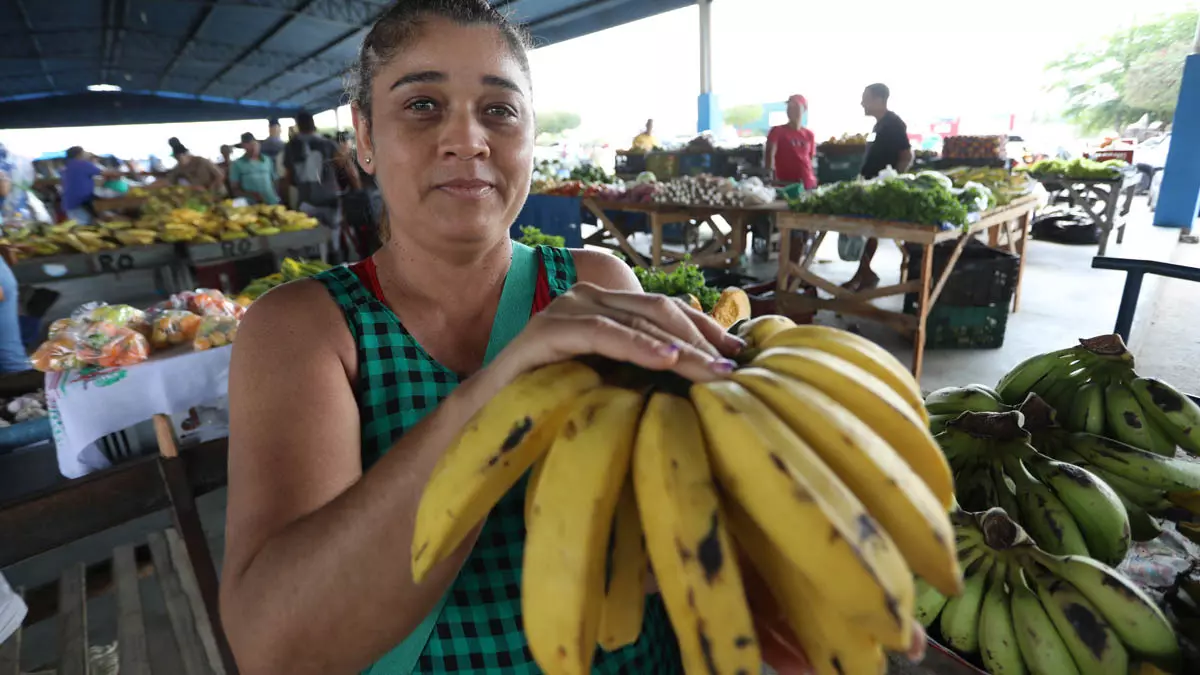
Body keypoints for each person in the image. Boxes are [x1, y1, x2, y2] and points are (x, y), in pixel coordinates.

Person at [220, 3, 930, 674]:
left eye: (499, 110)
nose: (467, 139)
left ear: (531, 136)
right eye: (422, 105)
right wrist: (499, 390)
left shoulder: (601, 284)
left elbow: (673, 538)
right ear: (366, 138)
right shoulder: (307, 328)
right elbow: (276, 651)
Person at [846, 83, 913, 292]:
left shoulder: (894, 124)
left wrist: (891, 182)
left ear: (879, 99)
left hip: (881, 189)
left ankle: (864, 275)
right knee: (868, 232)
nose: (862, 103)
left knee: (871, 231)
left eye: (866, 98)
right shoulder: (879, 125)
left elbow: (906, 155)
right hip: (870, 186)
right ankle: (864, 274)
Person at [284, 111, 358, 257]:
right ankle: (336, 263)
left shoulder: (290, 147)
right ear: (313, 124)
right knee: (334, 242)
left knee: (311, 244)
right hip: (330, 200)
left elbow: (288, 179)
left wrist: (287, 203)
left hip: (306, 202)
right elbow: (349, 170)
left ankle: (317, 266)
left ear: (298, 126)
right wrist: (358, 192)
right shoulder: (328, 144)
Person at [60, 147, 123, 224]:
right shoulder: (82, 164)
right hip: (81, 201)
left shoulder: (67, 165)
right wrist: (122, 173)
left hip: (69, 202)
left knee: (77, 225)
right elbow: (107, 173)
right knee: (85, 226)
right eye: (84, 153)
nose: (86, 154)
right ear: (79, 154)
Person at [765, 95, 816, 190]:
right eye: (789, 106)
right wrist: (771, 178)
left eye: (796, 106)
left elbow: (810, 158)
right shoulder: (777, 131)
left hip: (807, 183)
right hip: (784, 184)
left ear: (804, 109)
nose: (791, 110)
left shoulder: (809, 134)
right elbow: (769, 154)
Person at [228, 133, 280, 205]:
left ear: (259, 145)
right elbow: (234, 189)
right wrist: (251, 195)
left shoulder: (267, 160)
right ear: (243, 147)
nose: (253, 148)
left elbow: (274, 180)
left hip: (271, 201)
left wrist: (277, 196)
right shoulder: (237, 164)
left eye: (254, 144)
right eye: (248, 145)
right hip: (250, 205)